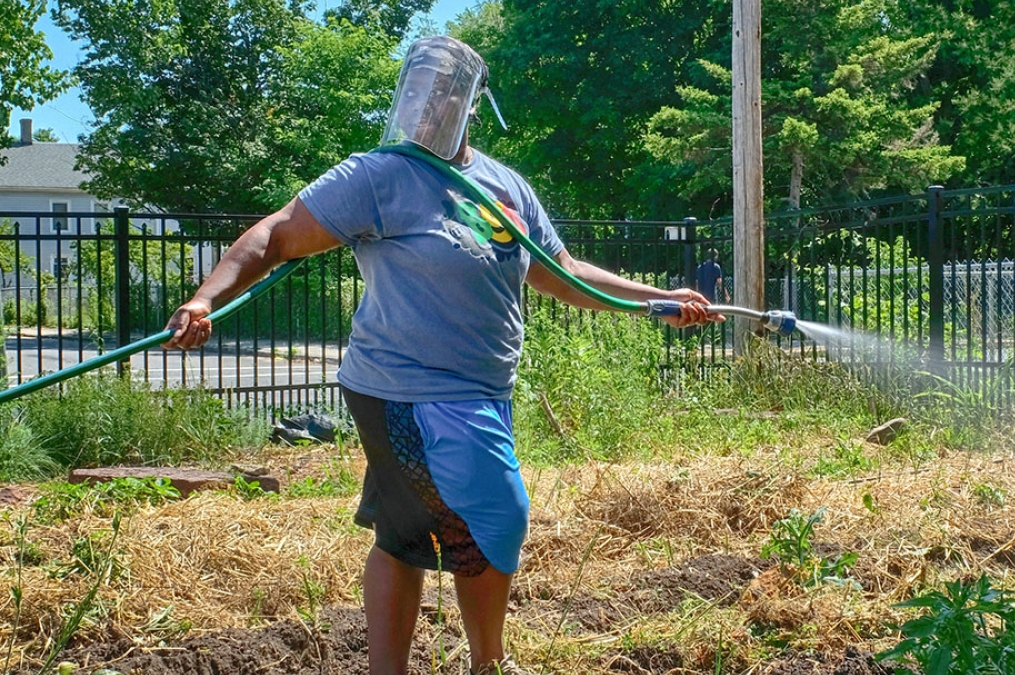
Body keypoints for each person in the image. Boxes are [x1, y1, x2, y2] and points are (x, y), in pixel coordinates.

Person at [162, 36, 719, 675]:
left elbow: (563, 273)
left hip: (482, 390)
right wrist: (205, 299)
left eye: (444, 93)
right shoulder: (378, 175)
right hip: (406, 388)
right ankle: (489, 664)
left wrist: (658, 300)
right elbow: (275, 234)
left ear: (468, 104)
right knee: (496, 515)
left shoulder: (504, 185)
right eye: (420, 90)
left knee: (404, 536)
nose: (428, 106)